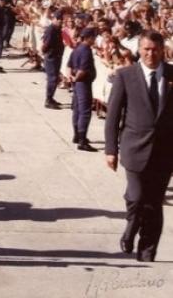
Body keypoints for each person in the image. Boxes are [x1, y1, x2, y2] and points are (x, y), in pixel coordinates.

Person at [105, 30, 173, 262]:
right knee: (136, 196)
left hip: (164, 152)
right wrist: (111, 150)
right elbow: (113, 116)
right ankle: (132, 225)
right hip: (134, 147)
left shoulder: (171, 75)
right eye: (146, 49)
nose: (150, 54)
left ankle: (147, 252)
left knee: (154, 202)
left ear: (162, 50)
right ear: (139, 50)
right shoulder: (126, 76)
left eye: (155, 50)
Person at [68, 27, 99, 152]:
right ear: (88, 38)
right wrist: (76, 78)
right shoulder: (86, 51)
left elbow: (69, 65)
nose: (94, 39)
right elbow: (82, 70)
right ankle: (82, 140)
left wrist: (71, 77)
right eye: (93, 37)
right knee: (85, 111)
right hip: (83, 83)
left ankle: (76, 135)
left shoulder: (77, 49)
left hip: (77, 83)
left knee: (77, 109)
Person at [41, 10, 65, 109]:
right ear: (53, 19)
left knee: (55, 78)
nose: (60, 21)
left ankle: (51, 98)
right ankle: (48, 99)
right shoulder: (51, 30)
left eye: (61, 19)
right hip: (51, 57)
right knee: (52, 79)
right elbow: (46, 44)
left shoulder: (57, 29)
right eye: (58, 19)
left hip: (56, 56)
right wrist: (45, 53)